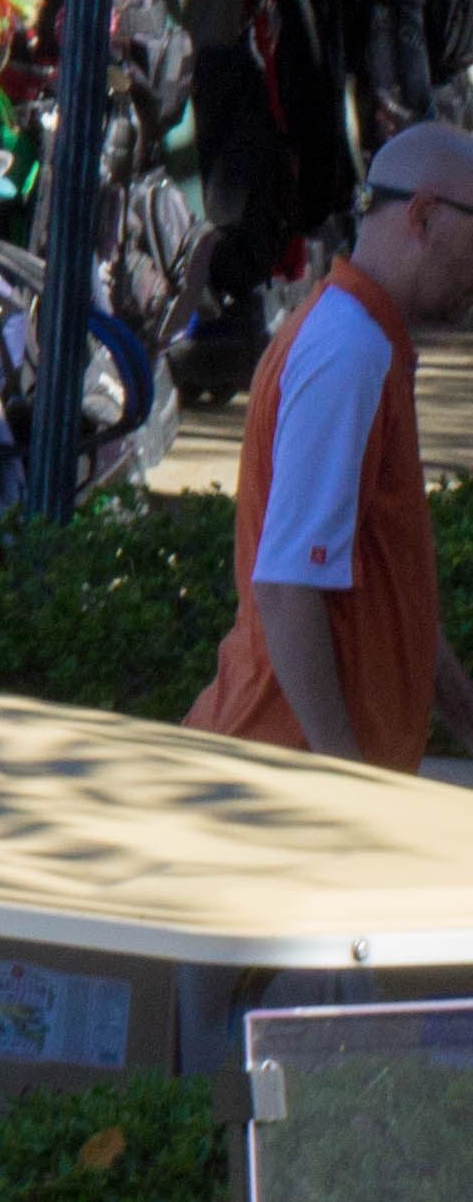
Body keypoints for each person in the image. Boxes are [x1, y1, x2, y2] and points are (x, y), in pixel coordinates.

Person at [187, 124, 473, 768]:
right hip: (284, 773)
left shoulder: (357, 336)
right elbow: (287, 587)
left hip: (296, 769)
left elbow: (386, 583)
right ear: (425, 215)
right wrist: (344, 783)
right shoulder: (350, 349)